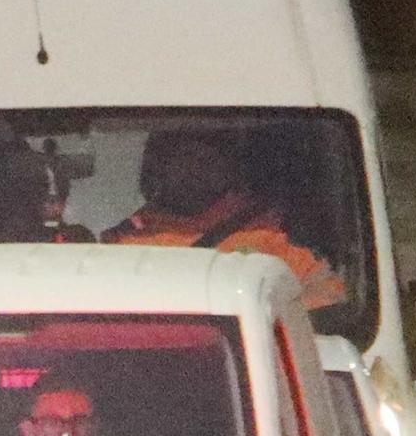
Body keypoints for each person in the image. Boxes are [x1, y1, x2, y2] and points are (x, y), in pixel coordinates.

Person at [113, 130, 347, 311]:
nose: (194, 167)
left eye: (206, 155)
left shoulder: (268, 230)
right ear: (158, 166)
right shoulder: (125, 240)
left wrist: (266, 320)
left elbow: (328, 293)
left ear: (229, 164)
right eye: (182, 156)